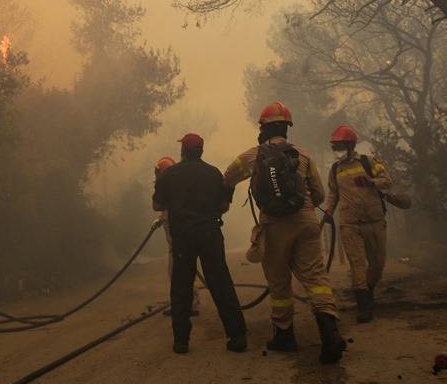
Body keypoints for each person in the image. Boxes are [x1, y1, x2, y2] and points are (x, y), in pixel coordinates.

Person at [223, 101, 347, 364]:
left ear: (263, 128)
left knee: (279, 281)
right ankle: (330, 333)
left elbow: (227, 176)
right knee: (315, 278)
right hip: (305, 222)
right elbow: (321, 194)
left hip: (274, 225)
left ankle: (284, 335)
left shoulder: (253, 155)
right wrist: (305, 210)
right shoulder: (302, 155)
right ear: (287, 127)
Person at [153, 133, 247, 354]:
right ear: (201, 151)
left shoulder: (170, 175)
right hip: (209, 235)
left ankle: (181, 341)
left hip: (183, 237)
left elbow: (157, 205)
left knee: (181, 287)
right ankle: (237, 335)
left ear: (183, 151)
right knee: (221, 283)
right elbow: (223, 206)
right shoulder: (213, 174)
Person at [324, 124, 393, 323]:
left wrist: (372, 182)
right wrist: (328, 210)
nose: (337, 151)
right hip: (349, 223)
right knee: (357, 264)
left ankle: (369, 289)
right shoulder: (335, 169)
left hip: (374, 221)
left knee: (378, 263)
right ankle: (363, 305)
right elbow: (332, 193)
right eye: (334, 147)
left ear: (351, 145)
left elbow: (387, 181)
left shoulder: (368, 161)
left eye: (341, 146)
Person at [153, 156, 201, 317]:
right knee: (183, 272)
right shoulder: (175, 186)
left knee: (177, 274)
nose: (156, 176)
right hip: (178, 241)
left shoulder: (170, 187)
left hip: (178, 242)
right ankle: (189, 304)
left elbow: (167, 208)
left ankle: (185, 306)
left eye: (158, 172)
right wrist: (159, 220)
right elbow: (166, 210)